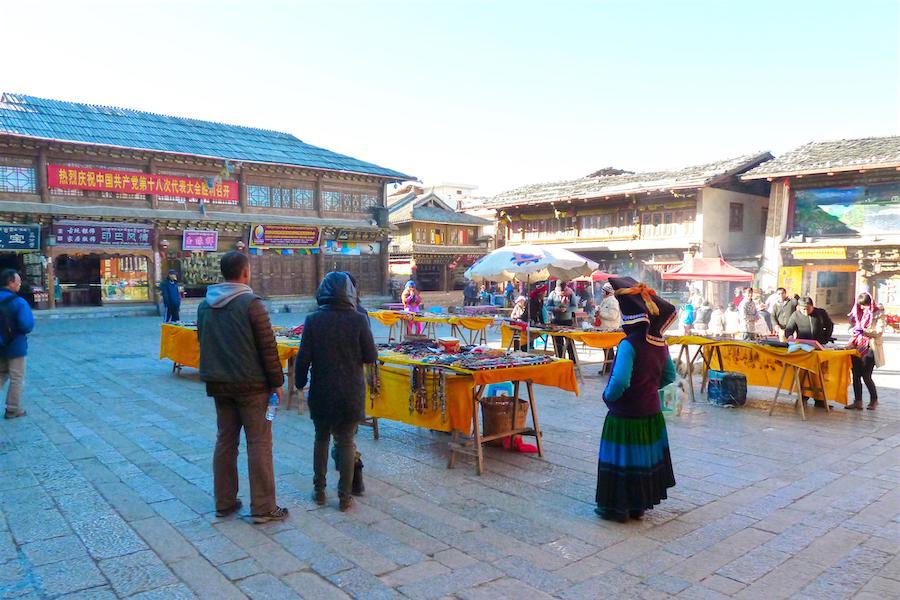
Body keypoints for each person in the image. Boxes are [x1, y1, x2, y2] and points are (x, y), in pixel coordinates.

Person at [197, 252, 288, 524]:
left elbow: (203, 340)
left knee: (226, 441)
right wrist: (277, 382)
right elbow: (268, 348)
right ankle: (263, 507)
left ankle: (224, 502)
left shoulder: (205, 305)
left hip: (219, 384)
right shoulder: (251, 304)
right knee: (259, 443)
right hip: (252, 386)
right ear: (245, 272)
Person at [596, 277, 677, 522]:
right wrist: (649, 389)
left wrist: (608, 396)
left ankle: (618, 508)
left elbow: (620, 381)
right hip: (651, 413)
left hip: (625, 416)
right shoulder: (660, 343)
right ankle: (637, 507)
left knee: (622, 461)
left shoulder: (629, 344)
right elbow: (669, 375)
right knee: (640, 461)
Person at [295, 272, 378, 511]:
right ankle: (344, 497)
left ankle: (319, 491)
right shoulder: (358, 319)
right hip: (350, 392)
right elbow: (370, 356)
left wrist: (300, 382)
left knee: (321, 438)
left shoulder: (313, 320)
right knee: (346, 441)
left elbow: (303, 358)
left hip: (322, 391)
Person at [0, 270, 34, 419]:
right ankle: (12, 409)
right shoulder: (19, 302)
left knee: (1, 373)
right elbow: (27, 325)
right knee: (16, 377)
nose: (20, 284)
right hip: (16, 345)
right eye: (18, 281)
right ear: (10, 282)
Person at [846, 292, 884, 410]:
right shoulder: (857, 312)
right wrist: (853, 331)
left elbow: (879, 331)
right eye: (860, 305)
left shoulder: (878, 313)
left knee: (866, 376)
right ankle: (858, 401)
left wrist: (865, 332)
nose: (862, 308)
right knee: (856, 375)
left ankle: (874, 400)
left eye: (865, 305)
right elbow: (850, 327)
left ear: (870, 304)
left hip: (870, 347)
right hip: (856, 347)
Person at [546, 280, 576, 360]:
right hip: (556, 321)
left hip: (567, 321)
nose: (562, 290)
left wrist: (567, 309)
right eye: (560, 288)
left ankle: (572, 359)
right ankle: (560, 358)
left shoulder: (570, 293)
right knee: (558, 342)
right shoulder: (553, 294)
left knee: (569, 342)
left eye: (563, 288)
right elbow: (548, 306)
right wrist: (556, 308)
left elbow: (574, 307)